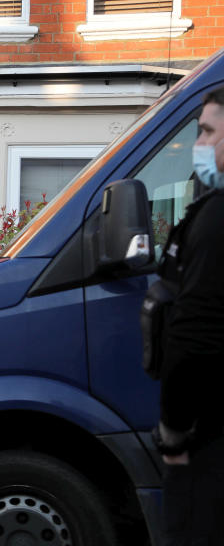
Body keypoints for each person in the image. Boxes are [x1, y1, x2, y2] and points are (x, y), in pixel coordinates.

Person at [151, 87, 224, 544]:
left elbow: (193, 333)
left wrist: (173, 432)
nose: (199, 143)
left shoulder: (216, 218)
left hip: (210, 443)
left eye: (208, 131)